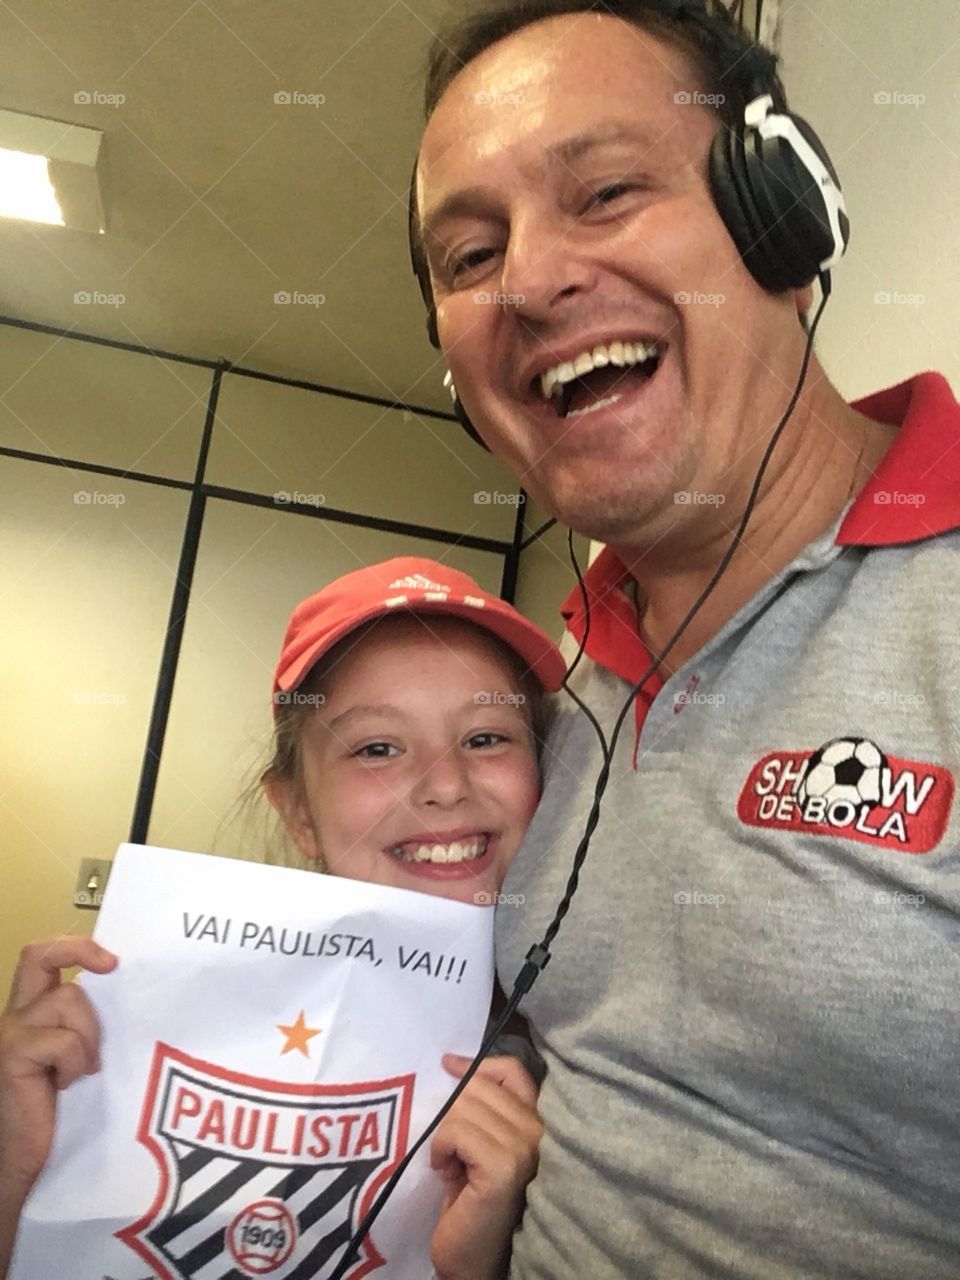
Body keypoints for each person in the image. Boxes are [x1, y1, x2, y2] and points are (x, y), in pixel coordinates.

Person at [410, 1, 960, 1277]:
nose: (533, 282)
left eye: (604, 190)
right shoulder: (553, 688)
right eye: (470, 254)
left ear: (786, 219)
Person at [0, 556, 568, 1280]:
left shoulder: (582, 1053)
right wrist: (15, 1165)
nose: (446, 785)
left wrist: (475, 1265)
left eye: (487, 736)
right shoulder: (127, 1020)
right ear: (298, 810)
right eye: (377, 747)